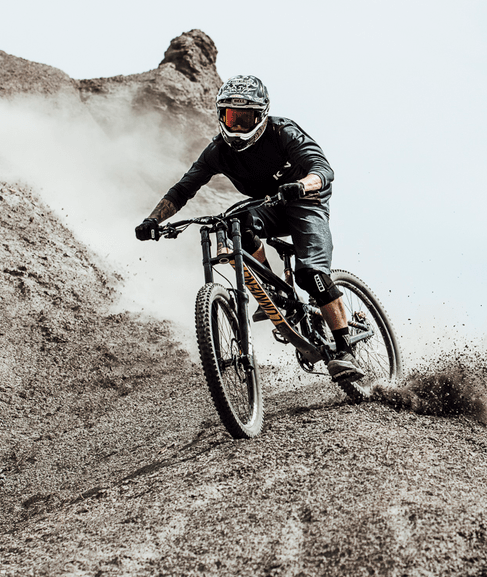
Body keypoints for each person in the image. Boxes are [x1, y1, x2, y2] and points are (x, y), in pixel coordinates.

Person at [135, 74, 363, 383]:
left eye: (246, 119)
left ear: (262, 115)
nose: (238, 126)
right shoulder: (218, 151)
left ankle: (345, 349)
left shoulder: (283, 133)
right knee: (235, 222)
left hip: (306, 202)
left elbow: (323, 169)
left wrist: (302, 185)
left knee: (310, 273)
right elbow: (183, 189)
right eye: (232, 117)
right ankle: (271, 290)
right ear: (221, 115)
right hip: (268, 206)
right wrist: (153, 220)